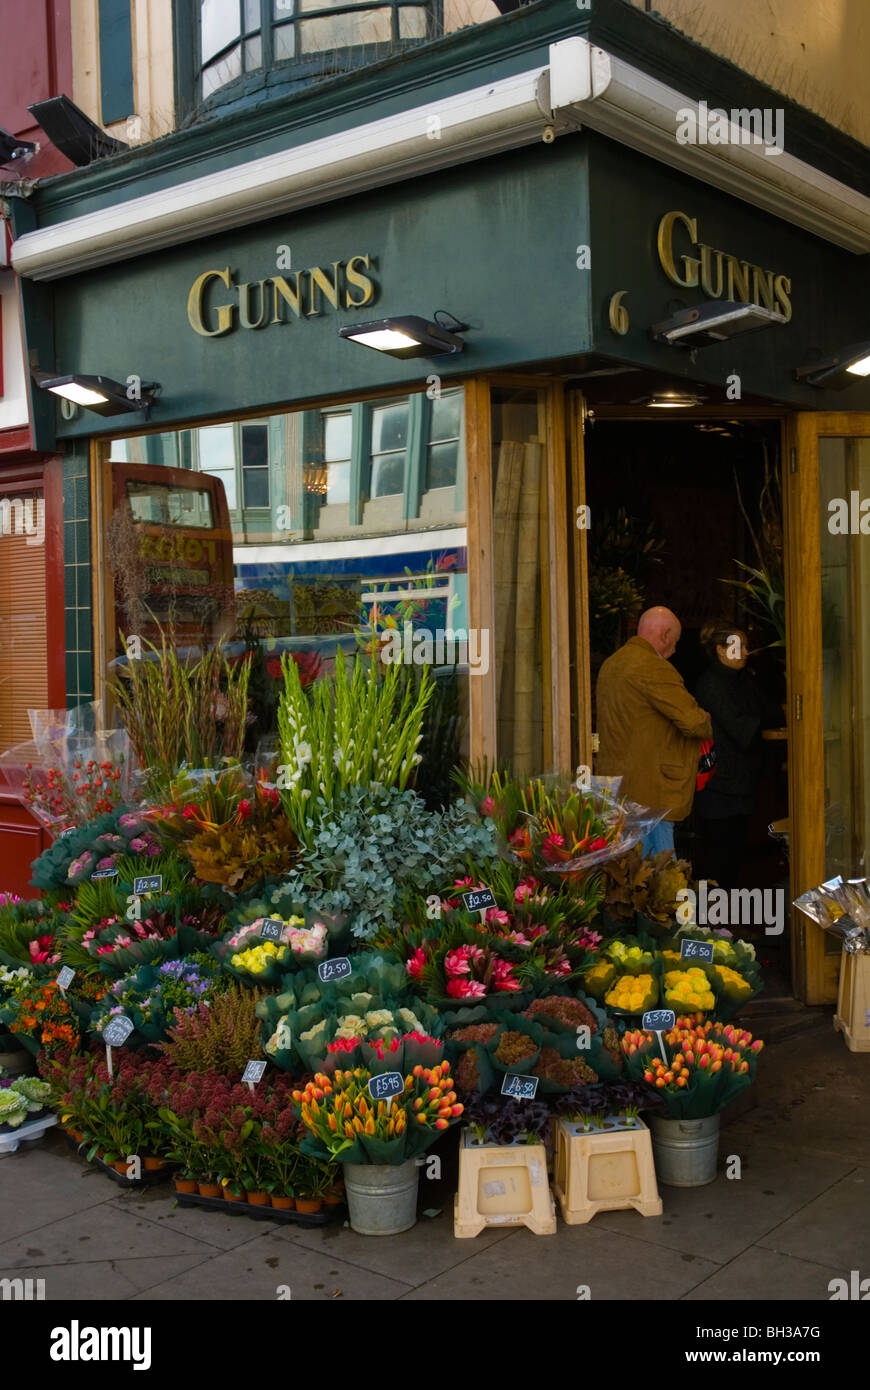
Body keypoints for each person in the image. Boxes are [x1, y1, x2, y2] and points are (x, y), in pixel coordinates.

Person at [596, 606, 712, 855]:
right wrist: (705, 717)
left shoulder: (611, 664)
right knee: (659, 878)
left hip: (616, 790)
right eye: (676, 641)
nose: (675, 649)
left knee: (627, 874)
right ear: (665, 635)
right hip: (652, 793)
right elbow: (693, 722)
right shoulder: (653, 667)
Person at [693, 622, 783, 889]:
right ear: (721, 650)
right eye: (738, 646)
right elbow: (741, 728)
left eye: (745, 646)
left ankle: (728, 924)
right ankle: (715, 925)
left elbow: (772, 712)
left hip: (743, 785)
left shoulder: (745, 680)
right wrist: (759, 720)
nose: (745, 652)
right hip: (720, 788)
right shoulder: (710, 684)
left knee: (737, 859)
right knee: (719, 859)